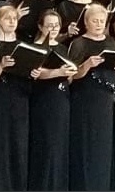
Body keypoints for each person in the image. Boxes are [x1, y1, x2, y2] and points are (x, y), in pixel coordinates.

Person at [68, 3, 115, 191]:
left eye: (102, 21)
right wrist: (86, 65)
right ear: (86, 22)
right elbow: (71, 75)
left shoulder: (110, 42)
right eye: (95, 21)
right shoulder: (79, 43)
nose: (99, 24)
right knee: (86, 145)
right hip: (85, 99)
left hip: (105, 100)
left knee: (103, 147)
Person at [0, 4, 32, 191]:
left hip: (20, 98)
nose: (12, 22)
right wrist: (1, 66)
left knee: (18, 144)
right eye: (7, 18)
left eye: (15, 18)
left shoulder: (24, 45)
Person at [28, 10, 76, 191]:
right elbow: (36, 74)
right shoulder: (35, 47)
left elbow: (70, 76)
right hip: (43, 99)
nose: (53, 29)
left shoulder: (62, 48)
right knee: (46, 146)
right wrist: (58, 73)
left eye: (56, 25)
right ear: (40, 26)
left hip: (62, 98)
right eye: (49, 25)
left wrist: (69, 74)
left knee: (60, 147)